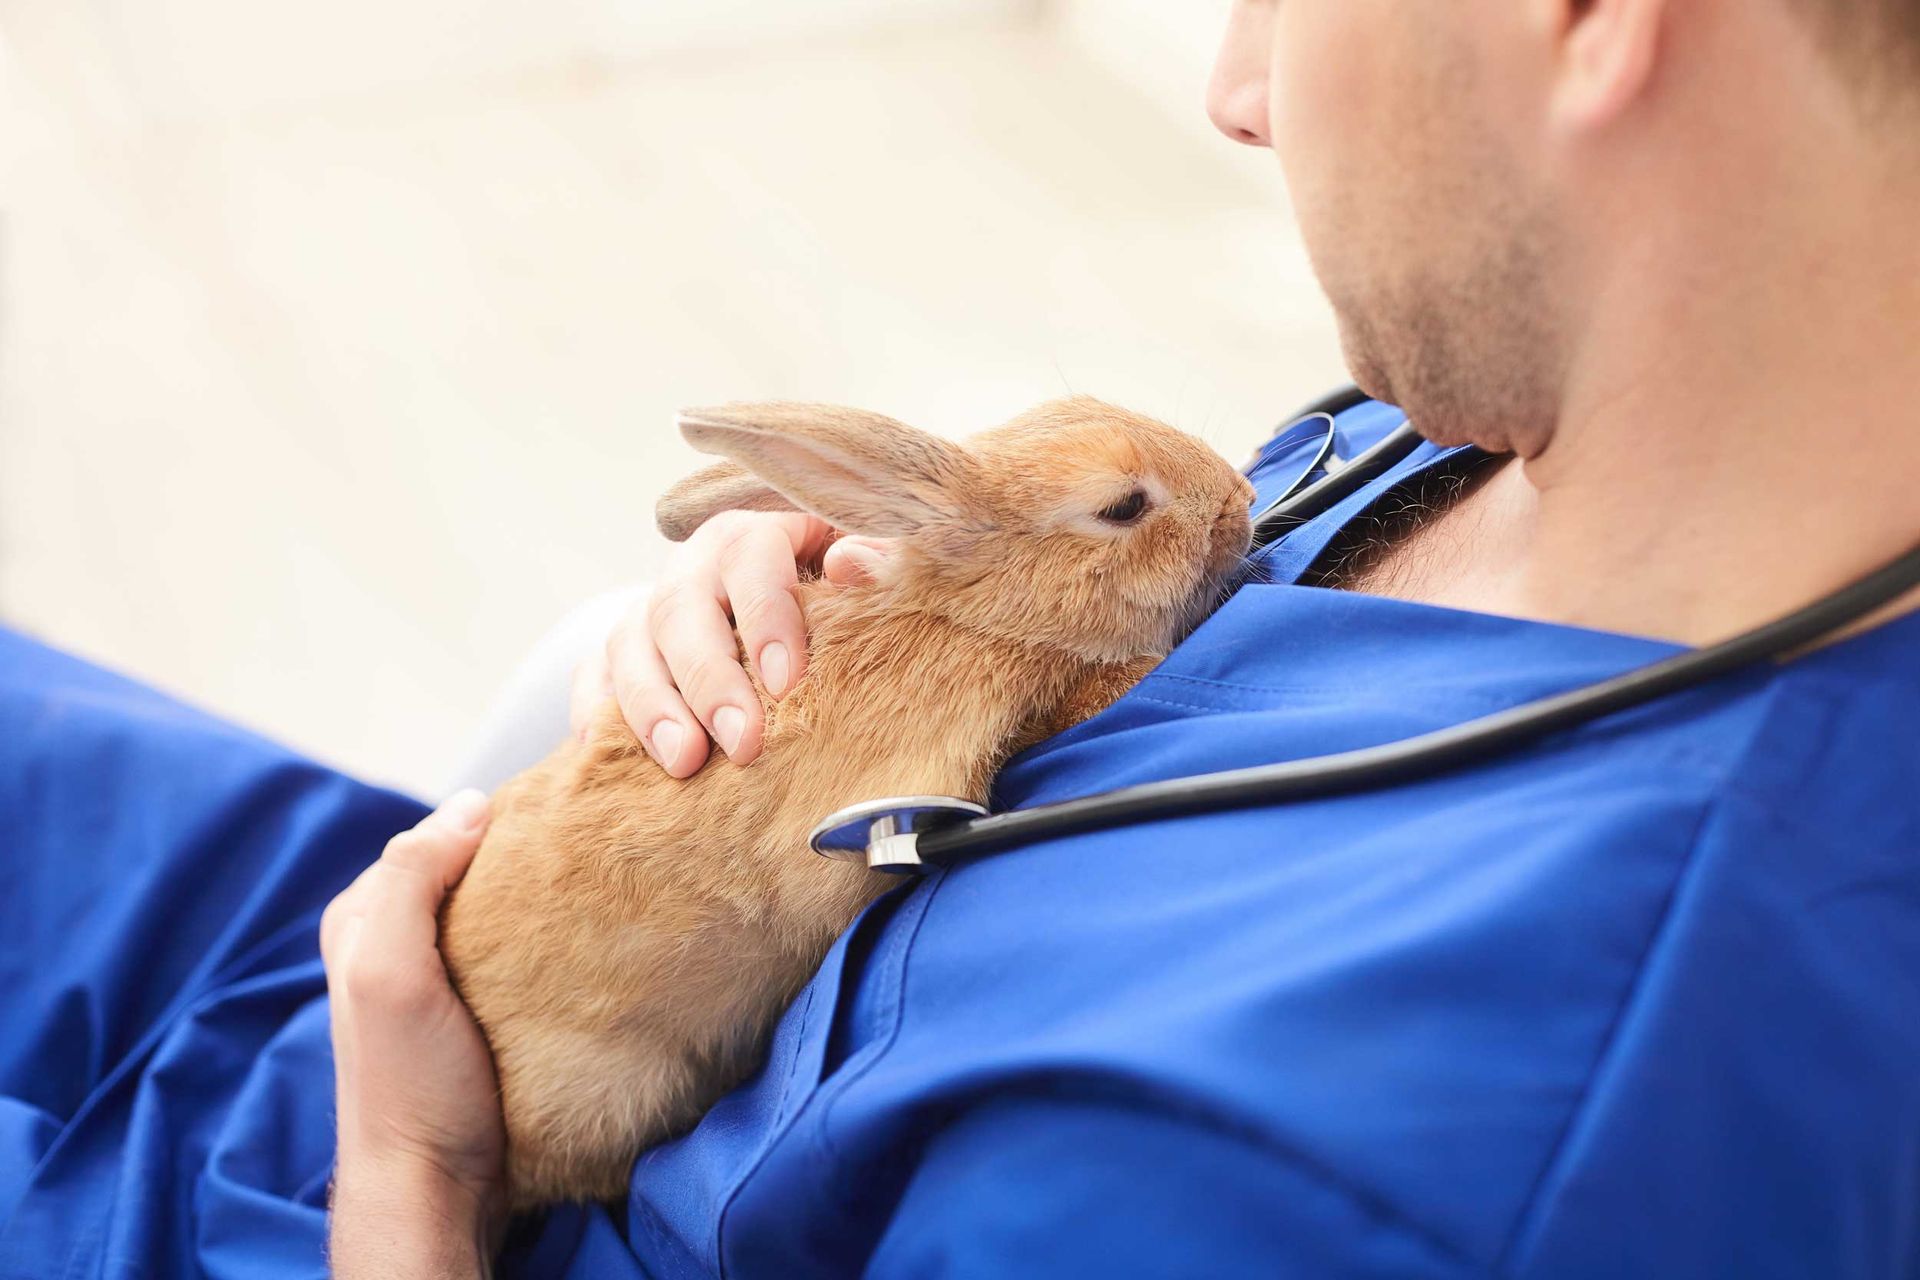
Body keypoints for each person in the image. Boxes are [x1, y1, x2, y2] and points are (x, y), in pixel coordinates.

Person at [2, 0, 1916, 1275]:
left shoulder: (1333, 1172)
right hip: (407, 976)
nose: (1239, 87)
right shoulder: (1509, 418)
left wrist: (410, 1171)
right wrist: (786, 635)